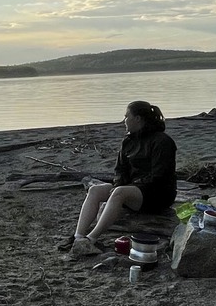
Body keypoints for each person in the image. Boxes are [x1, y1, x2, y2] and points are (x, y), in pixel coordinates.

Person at [66, 101, 176, 255]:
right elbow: (120, 169)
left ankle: (91, 240)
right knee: (95, 190)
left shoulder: (162, 141)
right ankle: (78, 237)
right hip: (132, 189)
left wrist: (127, 187)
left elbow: (159, 176)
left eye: (126, 117)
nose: (124, 120)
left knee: (120, 192)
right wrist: (118, 183)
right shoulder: (128, 141)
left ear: (137, 119)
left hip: (158, 194)